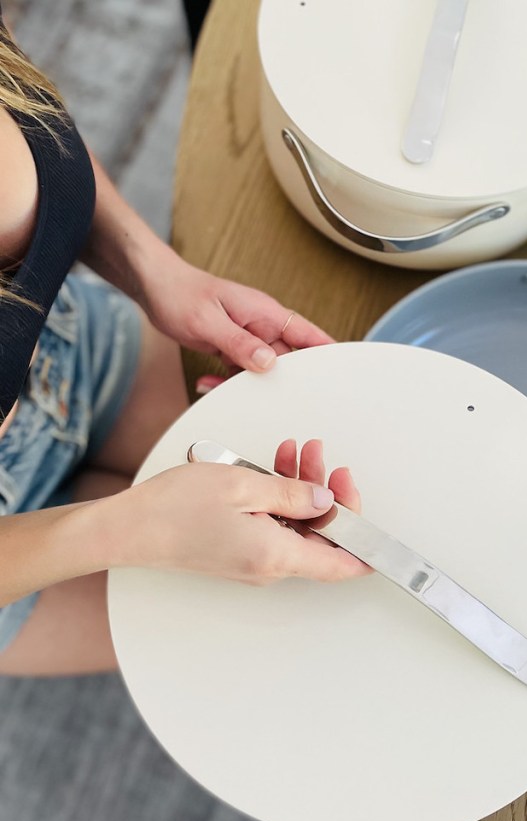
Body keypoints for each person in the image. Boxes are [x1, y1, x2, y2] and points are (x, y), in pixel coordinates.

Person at [0, 17, 370, 672]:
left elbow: (29, 112)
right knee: (290, 629)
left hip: (71, 348)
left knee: (338, 542)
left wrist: (154, 271)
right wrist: (134, 528)